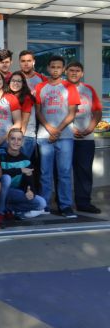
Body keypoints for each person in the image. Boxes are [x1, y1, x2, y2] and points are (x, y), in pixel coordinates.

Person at [35, 55, 80, 218]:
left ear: (63, 69)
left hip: (65, 136)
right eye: (52, 67)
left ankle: (65, 206)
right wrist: (49, 128)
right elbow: (38, 111)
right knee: (45, 173)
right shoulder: (41, 87)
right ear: (48, 68)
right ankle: (44, 205)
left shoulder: (70, 87)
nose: (55, 70)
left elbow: (72, 113)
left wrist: (57, 130)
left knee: (64, 172)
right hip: (44, 136)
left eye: (58, 67)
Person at [66, 61, 102, 214]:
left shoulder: (89, 89)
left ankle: (84, 203)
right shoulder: (61, 89)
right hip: (65, 138)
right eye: (71, 70)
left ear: (82, 73)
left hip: (86, 139)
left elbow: (98, 111)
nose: (74, 73)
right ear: (66, 72)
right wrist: (70, 128)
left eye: (77, 70)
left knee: (84, 172)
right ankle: (64, 203)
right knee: (63, 172)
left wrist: (91, 127)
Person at [0, 128, 47, 221]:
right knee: (6, 178)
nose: (16, 142)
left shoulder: (26, 160)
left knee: (41, 203)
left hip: (14, 193)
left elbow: (30, 182)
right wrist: (19, 170)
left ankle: (9, 209)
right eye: (13, 138)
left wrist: (30, 191)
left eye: (19, 139)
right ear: (7, 140)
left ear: (22, 142)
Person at [7, 71, 37, 158]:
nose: (15, 83)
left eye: (19, 81)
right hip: (15, 136)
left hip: (25, 137)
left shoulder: (26, 98)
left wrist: (19, 140)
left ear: (23, 84)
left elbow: (24, 122)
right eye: (13, 81)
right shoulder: (10, 97)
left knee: (23, 163)